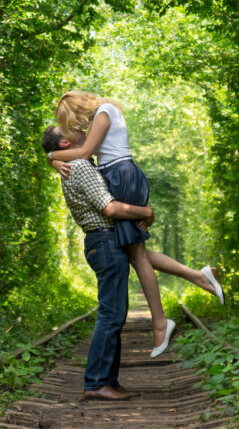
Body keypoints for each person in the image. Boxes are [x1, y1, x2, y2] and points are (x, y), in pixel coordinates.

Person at [45, 91, 224, 358]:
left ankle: (161, 323)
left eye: (72, 122)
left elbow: (83, 152)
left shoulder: (104, 112)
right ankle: (199, 278)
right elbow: (83, 153)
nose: (76, 127)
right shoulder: (101, 116)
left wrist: (52, 157)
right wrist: (55, 158)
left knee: (137, 255)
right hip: (117, 176)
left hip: (121, 176)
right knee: (134, 252)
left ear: (77, 110)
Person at [42, 125, 150, 400]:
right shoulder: (80, 166)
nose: (80, 127)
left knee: (114, 314)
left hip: (101, 243)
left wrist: (52, 159)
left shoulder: (75, 164)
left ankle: (108, 382)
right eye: (71, 128)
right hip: (104, 242)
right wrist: (146, 211)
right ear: (66, 142)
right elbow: (109, 208)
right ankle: (96, 383)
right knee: (110, 314)